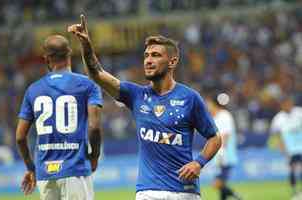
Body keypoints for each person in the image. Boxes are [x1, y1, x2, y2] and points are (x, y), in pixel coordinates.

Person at [68, 15, 222, 200]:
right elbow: (97, 73)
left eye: (155, 55)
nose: (148, 60)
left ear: (172, 62)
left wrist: (199, 163)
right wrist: (86, 44)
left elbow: (215, 138)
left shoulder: (189, 98)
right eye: (146, 55)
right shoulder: (136, 95)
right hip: (148, 192)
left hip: (184, 191)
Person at [16, 35, 103, 200]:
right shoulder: (88, 85)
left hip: (45, 174)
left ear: (47, 59)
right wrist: (94, 157)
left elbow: (20, 137)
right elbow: (95, 127)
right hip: (75, 169)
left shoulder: (33, 90)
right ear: (69, 55)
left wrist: (31, 168)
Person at [206, 93, 241, 200]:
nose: (207, 106)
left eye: (208, 104)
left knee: (217, 183)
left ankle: (237, 196)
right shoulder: (215, 117)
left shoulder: (224, 115)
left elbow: (225, 135)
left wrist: (221, 151)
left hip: (225, 155)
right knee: (221, 185)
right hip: (219, 156)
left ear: (214, 104)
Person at [270, 96, 302, 198]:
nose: (287, 106)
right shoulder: (278, 118)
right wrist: (281, 147)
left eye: (288, 104)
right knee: (292, 169)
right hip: (290, 149)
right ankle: (294, 190)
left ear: (291, 103)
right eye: (284, 105)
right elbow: (275, 134)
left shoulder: (299, 112)